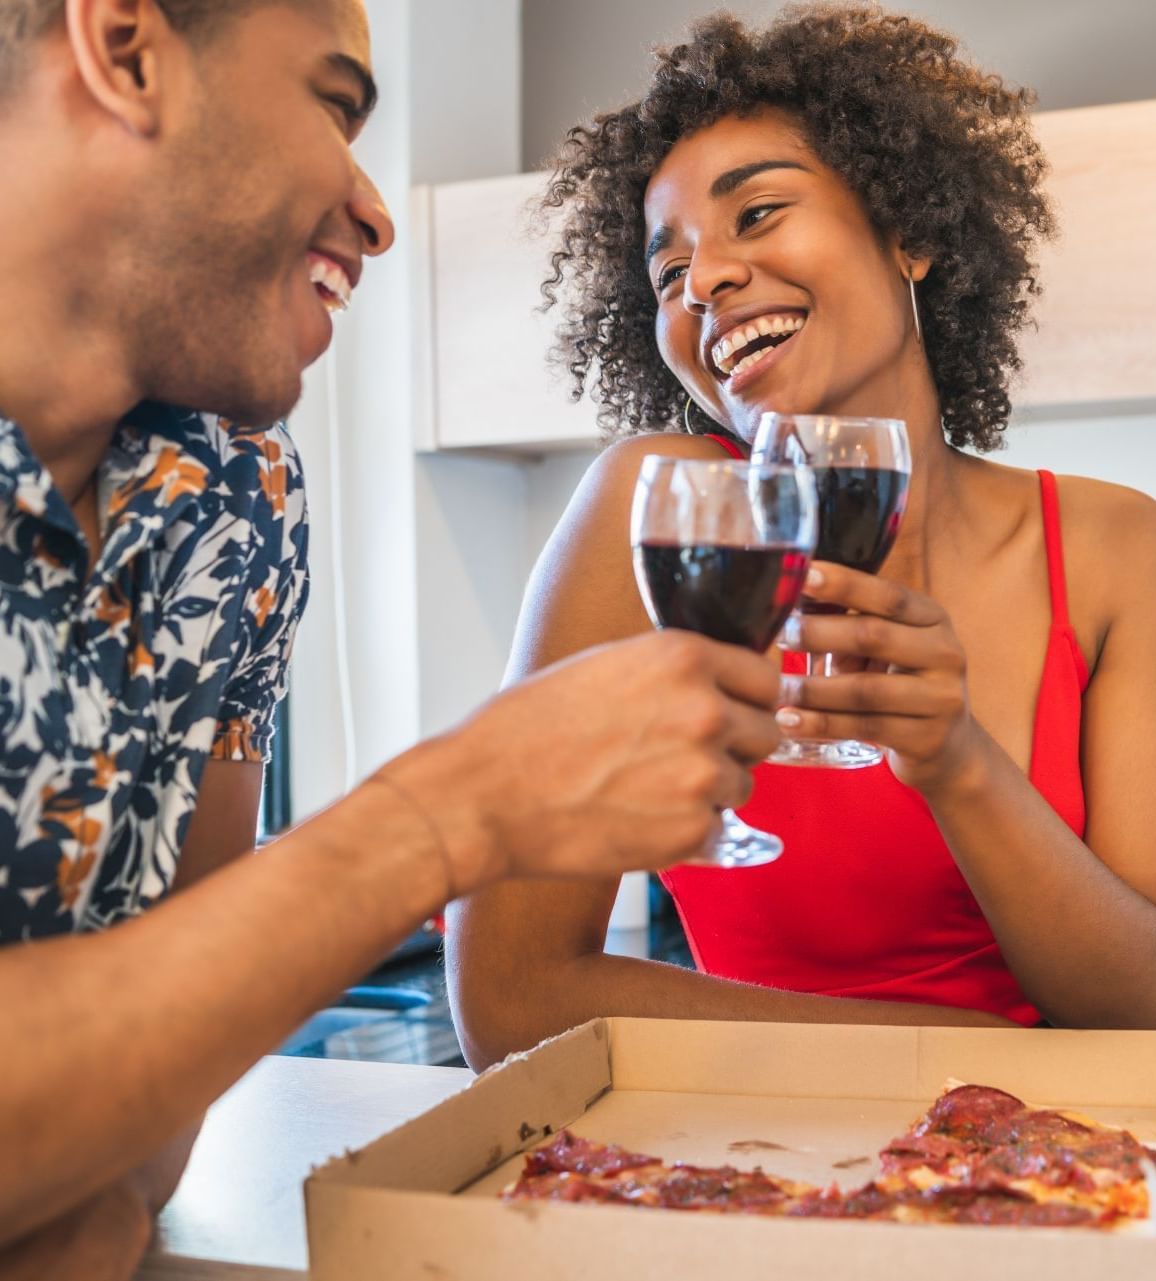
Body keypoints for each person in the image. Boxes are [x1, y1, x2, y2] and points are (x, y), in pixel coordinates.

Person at [0, 2, 782, 1276]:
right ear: (126, 50)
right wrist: (450, 812)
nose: (376, 213)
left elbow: (148, 1137)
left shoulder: (232, 490)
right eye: (333, 102)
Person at [448, 5, 1156, 1071]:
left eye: (756, 214)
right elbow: (508, 999)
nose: (704, 280)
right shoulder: (656, 514)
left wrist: (956, 764)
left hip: (1061, 1188)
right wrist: (980, 1066)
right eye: (669, 273)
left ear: (911, 231)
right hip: (758, 1171)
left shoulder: (1112, 545)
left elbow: (1150, 1008)